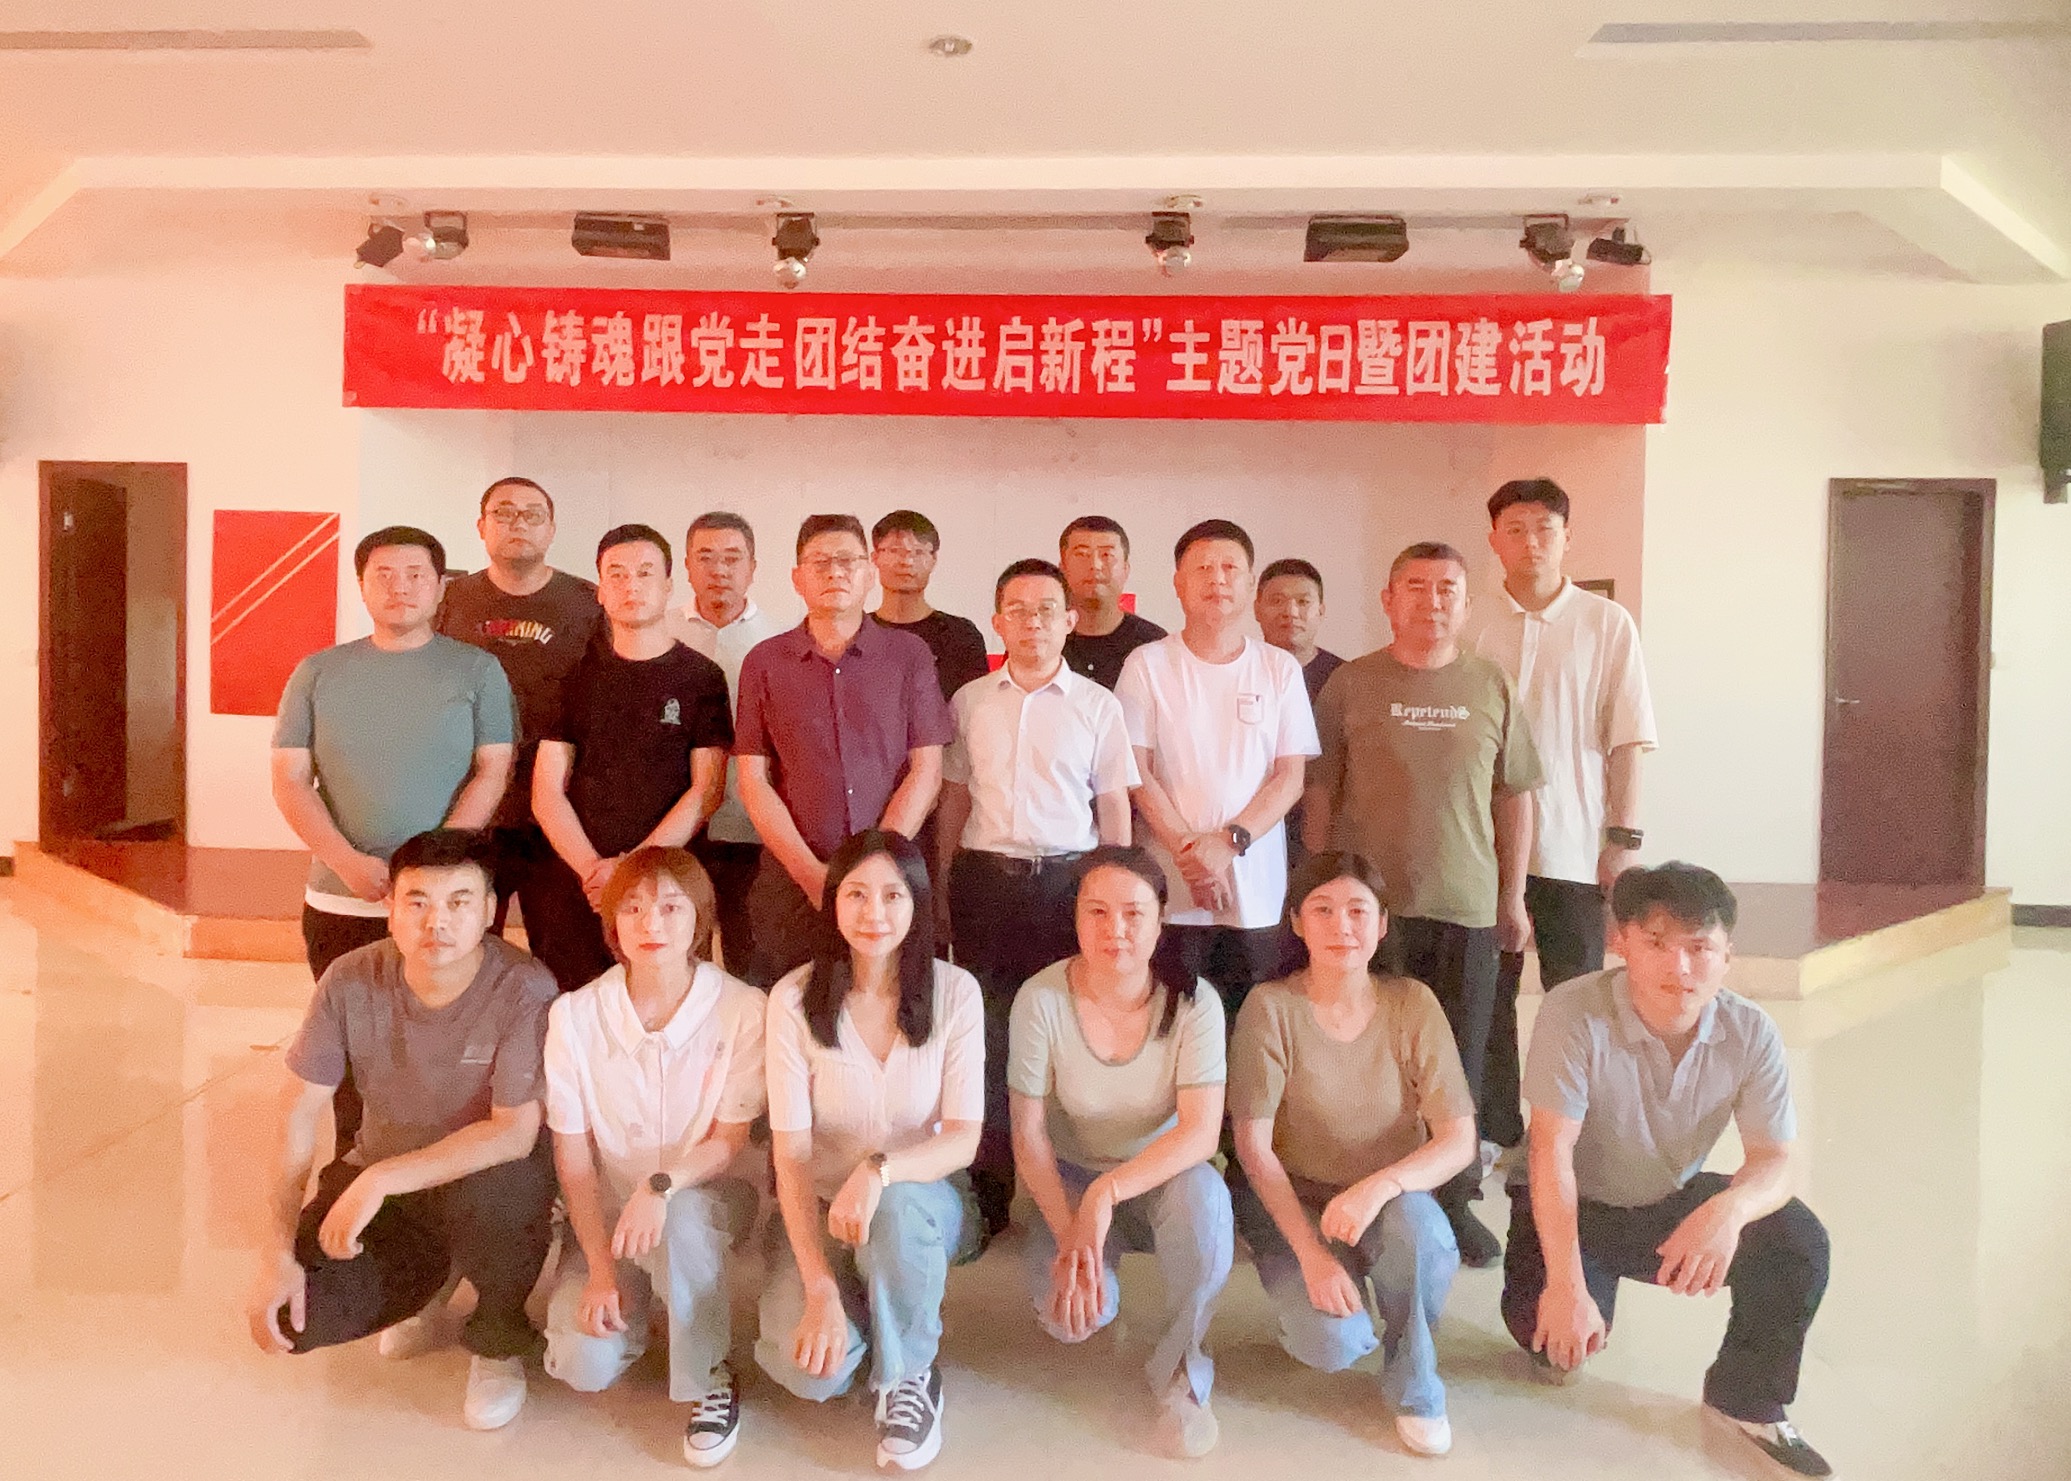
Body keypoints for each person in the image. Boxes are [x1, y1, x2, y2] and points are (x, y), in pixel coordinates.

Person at [1502, 863, 1833, 1479]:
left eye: (1699, 948)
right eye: (1656, 943)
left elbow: (1775, 1159)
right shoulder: (1574, 1011)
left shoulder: (1750, 1031)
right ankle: (1570, 1287)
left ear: (1727, 956)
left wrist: (1727, 1211)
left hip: (1664, 1198)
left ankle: (1747, 1397)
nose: (1679, 967)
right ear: (1621, 942)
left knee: (1797, 1242)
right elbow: (1551, 1153)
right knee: (1551, 1345)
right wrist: (1567, 1286)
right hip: (1574, 1201)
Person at [243, 829, 556, 1432]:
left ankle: (498, 1337)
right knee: (294, 1317)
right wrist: (275, 1252)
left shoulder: (524, 988)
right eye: (418, 902)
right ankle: (430, 1284)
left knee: (505, 1189)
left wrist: (381, 1179)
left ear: (490, 910)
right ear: (390, 908)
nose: (437, 922)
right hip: (386, 1179)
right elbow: (298, 1113)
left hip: (482, 1181)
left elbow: (513, 1133)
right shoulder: (350, 979)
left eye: (460, 902)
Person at [1303, 541, 1540, 1267]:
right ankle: (1366, 1190)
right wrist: (1316, 887)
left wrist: (1513, 895)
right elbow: (1320, 790)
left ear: (1465, 604)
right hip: (1367, 915)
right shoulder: (1350, 683)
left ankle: (1453, 1199)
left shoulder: (1491, 684)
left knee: (1457, 1062)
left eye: (1446, 589)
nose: (1431, 601)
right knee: (1371, 1058)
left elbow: (1514, 796)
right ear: (1388, 599)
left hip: (1464, 906)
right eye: (1415, 586)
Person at [272, 526, 516, 1148]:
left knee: (449, 1047)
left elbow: (494, 769)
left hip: (444, 904)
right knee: (349, 1047)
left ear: (441, 588)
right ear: (361, 586)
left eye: (415, 574)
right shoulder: (318, 672)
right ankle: (354, 1161)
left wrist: (432, 869)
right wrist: (347, 862)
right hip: (343, 897)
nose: (399, 587)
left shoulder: (478, 670)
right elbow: (291, 780)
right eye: (383, 574)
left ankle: (444, 1169)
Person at [1229, 852, 1477, 1459]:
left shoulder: (1412, 1003)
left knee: (1422, 1238)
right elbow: (1253, 1148)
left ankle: (1415, 1383)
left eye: (1358, 911)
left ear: (1382, 924)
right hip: (1298, 1203)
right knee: (1332, 1344)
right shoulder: (1270, 1007)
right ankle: (1334, 1304)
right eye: (1323, 910)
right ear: (1296, 922)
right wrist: (1313, 1256)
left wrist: (1379, 1188)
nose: (1342, 926)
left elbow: (1458, 1139)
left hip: (1390, 1200)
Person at [757, 831, 983, 1472]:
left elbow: (963, 1137)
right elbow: (791, 1157)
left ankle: (910, 1376)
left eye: (892, 895)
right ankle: (868, 1305)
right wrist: (819, 1288)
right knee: (811, 1375)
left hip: (926, 1202)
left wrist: (880, 1170)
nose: (874, 913)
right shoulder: (792, 1000)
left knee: (898, 1209)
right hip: (820, 1205)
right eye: (856, 894)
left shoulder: (956, 992)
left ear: (917, 904)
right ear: (832, 903)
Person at [540, 847, 765, 1467]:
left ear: (701, 918)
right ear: (613, 923)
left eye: (671, 907)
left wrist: (662, 1185)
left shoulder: (743, 1008)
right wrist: (600, 1270)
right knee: (582, 1362)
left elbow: (729, 1140)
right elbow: (573, 1158)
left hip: (707, 1197)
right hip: (612, 1213)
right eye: (633, 909)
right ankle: (645, 1304)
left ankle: (708, 1373)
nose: (651, 924)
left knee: (683, 1221)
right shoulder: (574, 1016)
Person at [1009, 847, 1232, 1459]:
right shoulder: (1040, 998)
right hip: (1069, 1178)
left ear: (1161, 921)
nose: (1116, 930)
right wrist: (1073, 1237)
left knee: (1207, 1206)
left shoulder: (1195, 1002)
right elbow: (1028, 1135)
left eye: (1134, 913)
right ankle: (1101, 1278)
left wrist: (1107, 1194)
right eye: (1098, 911)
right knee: (1071, 1319)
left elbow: (1200, 1133)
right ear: (1075, 917)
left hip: (1163, 1174)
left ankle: (1183, 1373)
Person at [937, 556, 1136, 1240]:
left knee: (1070, 1031)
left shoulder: (1098, 705)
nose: (1033, 622)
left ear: (1069, 620)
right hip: (986, 882)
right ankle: (990, 1191)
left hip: (1068, 885)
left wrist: (1114, 896)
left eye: (1047, 609)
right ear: (997, 621)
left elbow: (1113, 807)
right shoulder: (969, 702)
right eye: (1017, 610)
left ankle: (1078, 1184)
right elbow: (954, 798)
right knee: (989, 1035)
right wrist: (942, 886)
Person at [1471, 479, 1658, 1152]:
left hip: (1574, 848)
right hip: (1482, 849)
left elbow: (1628, 738)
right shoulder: (1470, 621)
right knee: (1488, 997)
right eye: (1515, 529)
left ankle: (1573, 1133)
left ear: (1567, 538)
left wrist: (1621, 841)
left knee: (1575, 999)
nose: (1531, 542)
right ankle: (1495, 1129)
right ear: (1494, 540)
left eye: (1544, 529)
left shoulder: (1606, 623)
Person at [733, 515, 955, 988]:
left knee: (893, 1006)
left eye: (848, 561)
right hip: (794, 883)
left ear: (870, 572)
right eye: (820, 562)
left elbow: (926, 771)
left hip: (892, 885)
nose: (835, 572)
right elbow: (753, 781)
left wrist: (871, 871)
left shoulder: (909, 655)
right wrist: (814, 876)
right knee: (789, 1007)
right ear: (797, 577)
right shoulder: (764, 662)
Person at [1118, 519, 1317, 1024]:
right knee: (1169, 1027)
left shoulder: (1278, 668)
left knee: (1249, 1030)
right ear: (1178, 584)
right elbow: (1136, 772)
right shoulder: (1147, 664)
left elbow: (1289, 777)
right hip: (1170, 889)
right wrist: (1192, 856)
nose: (1218, 579)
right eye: (1203, 568)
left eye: (1230, 568)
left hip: (1256, 892)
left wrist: (1226, 844)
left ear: (1250, 585)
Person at [531, 525, 732, 993]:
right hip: (581, 881)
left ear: (668, 585)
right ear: (601, 591)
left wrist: (630, 872)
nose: (631, 586)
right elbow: (546, 792)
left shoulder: (701, 677)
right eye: (616, 575)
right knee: (576, 1007)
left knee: (668, 1004)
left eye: (644, 573)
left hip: (668, 882)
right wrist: (594, 871)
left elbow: (706, 791)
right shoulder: (571, 675)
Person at [436, 477, 603, 940]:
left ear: (551, 529)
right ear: (481, 526)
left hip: (559, 811)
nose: (519, 524)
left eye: (533, 515)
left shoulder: (588, 602)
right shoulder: (449, 599)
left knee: (562, 951)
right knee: (464, 945)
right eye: (504, 513)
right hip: (469, 806)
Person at [669, 511, 786, 977]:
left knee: (752, 965)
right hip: (676, 827)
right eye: (706, 557)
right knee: (678, 960)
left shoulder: (781, 642)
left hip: (753, 828)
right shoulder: (661, 633)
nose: (719, 570)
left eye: (732, 558)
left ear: (753, 568)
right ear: (686, 566)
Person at [1255, 557, 1344, 880]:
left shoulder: (1346, 679)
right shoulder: (1238, 672)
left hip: (1329, 840)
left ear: (1321, 610)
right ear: (1256, 609)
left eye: (1303, 602)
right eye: (1277, 601)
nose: (1290, 612)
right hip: (1253, 833)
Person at [870, 509, 992, 702]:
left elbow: (975, 710)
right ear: (875, 557)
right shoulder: (857, 633)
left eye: (918, 552)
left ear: (933, 559)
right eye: (895, 551)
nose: (907, 562)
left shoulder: (961, 636)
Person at [1058, 515, 1167, 689]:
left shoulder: (1154, 644)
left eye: (1107, 555)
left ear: (1125, 569)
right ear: (1062, 569)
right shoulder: (1043, 639)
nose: (1095, 565)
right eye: (1082, 554)